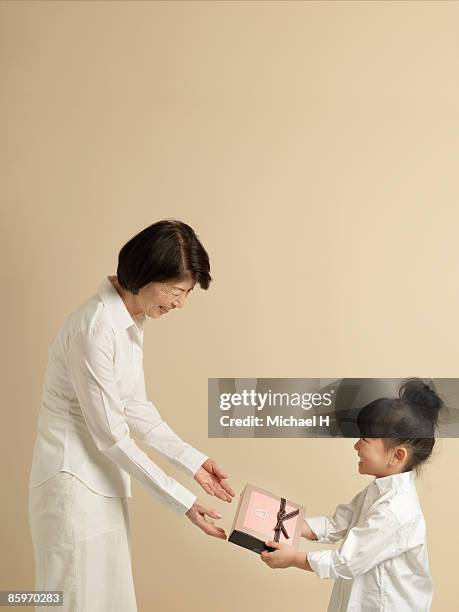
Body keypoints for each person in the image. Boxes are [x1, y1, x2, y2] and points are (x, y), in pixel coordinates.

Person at [28, 219, 235, 612]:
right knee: (71, 600)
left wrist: (194, 463)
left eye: (186, 293)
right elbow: (113, 436)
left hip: (102, 482)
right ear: (145, 273)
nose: (179, 304)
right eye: (176, 291)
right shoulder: (94, 328)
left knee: (106, 599)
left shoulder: (130, 321)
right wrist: (184, 502)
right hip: (73, 486)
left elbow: (137, 408)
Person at [260, 378, 444, 612]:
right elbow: (338, 523)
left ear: (397, 456)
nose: (356, 446)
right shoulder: (378, 491)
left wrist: (294, 559)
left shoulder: (394, 511)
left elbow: (345, 562)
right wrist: (285, 521)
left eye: (364, 440)